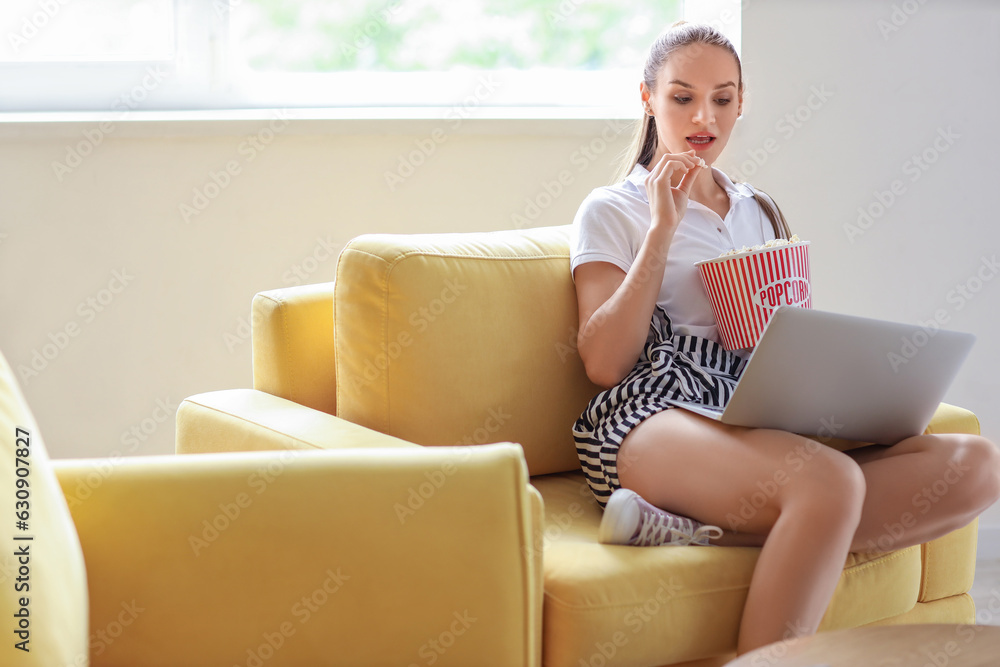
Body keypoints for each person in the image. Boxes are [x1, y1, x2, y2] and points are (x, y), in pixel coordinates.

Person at [569, 20, 1000, 655]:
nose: (703, 116)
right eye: (682, 96)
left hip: (752, 405)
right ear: (648, 98)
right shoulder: (614, 208)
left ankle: (688, 530)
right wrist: (662, 229)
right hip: (654, 410)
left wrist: (839, 391)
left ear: (742, 102)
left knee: (977, 466)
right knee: (829, 484)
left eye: (723, 98)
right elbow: (604, 362)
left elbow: (786, 330)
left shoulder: (758, 209)